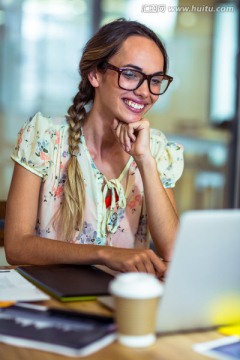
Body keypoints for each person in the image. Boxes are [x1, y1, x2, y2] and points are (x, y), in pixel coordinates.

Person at [5, 18, 184, 278]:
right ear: (95, 75)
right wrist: (104, 253)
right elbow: (16, 246)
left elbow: (174, 252)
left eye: (155, 80)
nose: (145, 92)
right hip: (52, 298)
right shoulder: (44, 137)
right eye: (131, 75)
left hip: (122, 302)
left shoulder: (155, 149)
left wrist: (144, 160)